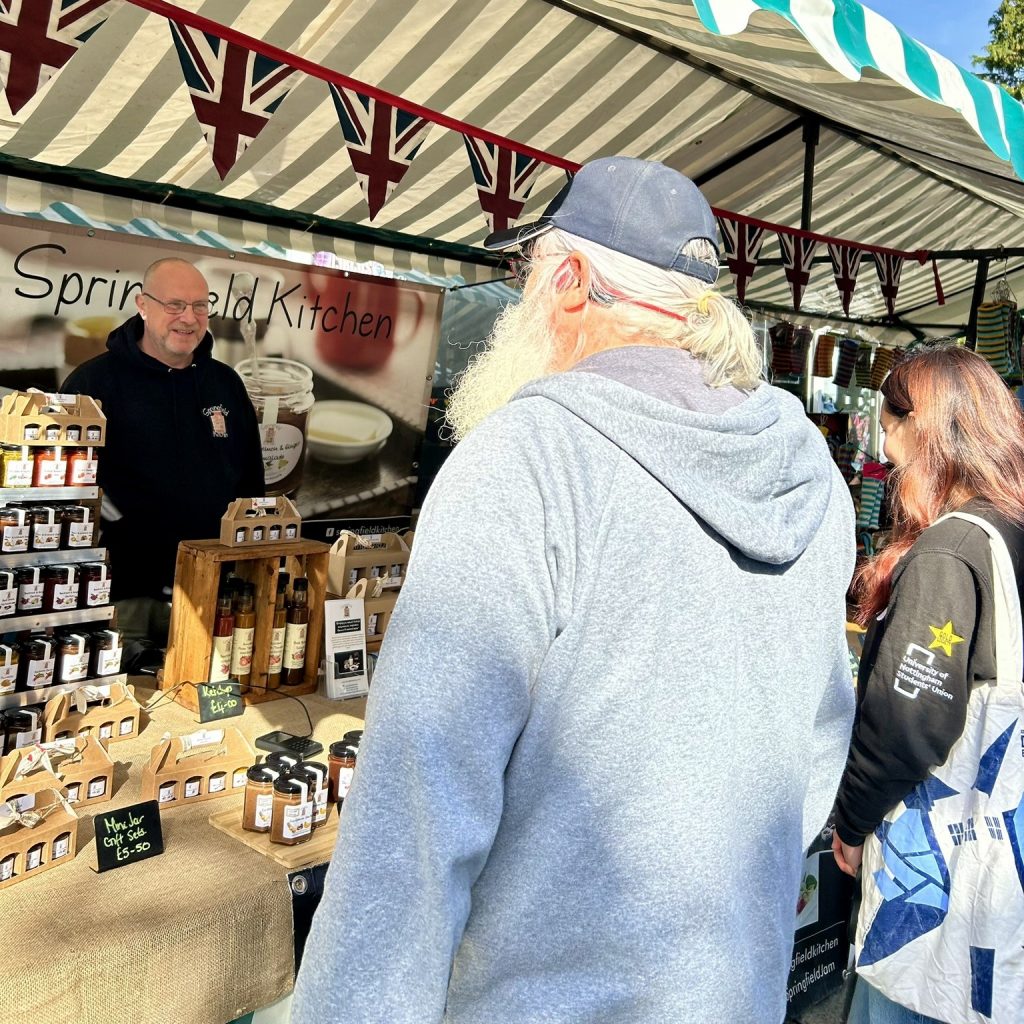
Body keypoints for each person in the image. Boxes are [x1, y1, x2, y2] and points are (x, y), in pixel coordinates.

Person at [291, 157, 856, 1024]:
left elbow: (415, 814)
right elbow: (818, 753)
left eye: (526, 275)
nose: (520, 302)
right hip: (734, 990)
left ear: (571, 280)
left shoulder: (528, 457)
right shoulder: (808, 472)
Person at [832, 345, 1024, 1023]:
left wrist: (850, 822)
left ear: (929, 430)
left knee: (906, 994)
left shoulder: (949, 551)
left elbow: (905, 721)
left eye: (890, 429)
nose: (886, 452)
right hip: (1002, 856)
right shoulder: (1010, 530)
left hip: (935, 867)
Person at [62, 257, 264, 646]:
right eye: (175, 305)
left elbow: (251, 484)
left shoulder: (226, 384)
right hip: (123, 595)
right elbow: (68, 489)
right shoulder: (91, 383)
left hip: (213, 593)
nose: (188, 318)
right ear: (142, 304)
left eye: (200, 306)